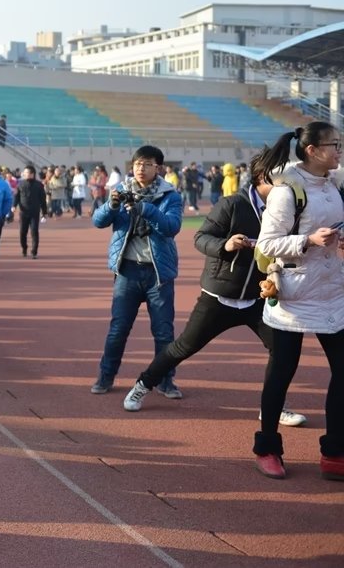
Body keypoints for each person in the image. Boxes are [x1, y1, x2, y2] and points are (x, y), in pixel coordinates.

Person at [122, 153, 306, 427]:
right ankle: (142, 384)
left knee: (283, 350)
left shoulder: (287, 212)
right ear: (261, 179)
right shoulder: (233, 204)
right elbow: (201, 237)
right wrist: (225, 245)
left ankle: (273, 406)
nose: (287, 189)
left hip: (258, 297)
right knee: (183, 347)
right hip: (219, 296)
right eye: (281, 183)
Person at [250, 123, 344, 481]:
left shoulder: (334, 183)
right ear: (311, 150)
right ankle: (267, 446)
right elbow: (266, 244)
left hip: (333, 290)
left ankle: (334, 451)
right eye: (333, 145)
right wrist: (307, 240)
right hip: (294, 295)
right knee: (281, 373)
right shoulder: (287, 191)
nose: (338, 151)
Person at [90, 145, 182, 396]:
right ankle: (105, 376)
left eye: (147, 164)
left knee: (164, 331)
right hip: (127, 271)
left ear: (158, 168)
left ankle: (165, 380)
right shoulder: (120, 190)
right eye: (138, 164)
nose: (141, 168)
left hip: (158, 274)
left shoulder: (170, 196)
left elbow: (171, 226)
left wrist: (144, 208)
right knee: (118, 328)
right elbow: (98, 221)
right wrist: (111, 205)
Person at [16, 165, 47, 258]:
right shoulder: (20, 184)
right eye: (24, 173)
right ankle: (24, 248)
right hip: (23, 212)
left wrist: (44, 212)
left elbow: (43, 199)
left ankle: (34, 251)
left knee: (34, 232)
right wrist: (13, 206)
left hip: (34, 212)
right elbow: (17, 197)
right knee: (22, 232)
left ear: (33, 174)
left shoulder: (39, 185)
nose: (25, 174)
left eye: (27, 173)